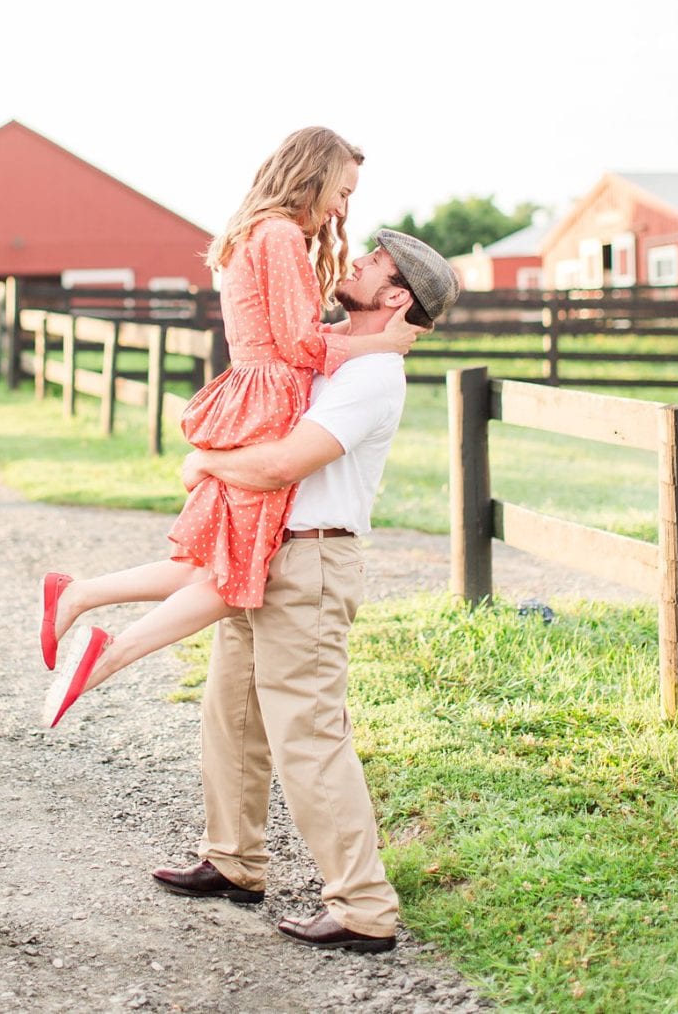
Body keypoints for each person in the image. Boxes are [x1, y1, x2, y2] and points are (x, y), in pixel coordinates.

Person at [42, 128, 420, 726]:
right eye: (342, 191)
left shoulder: (261, 233)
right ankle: (106, 655)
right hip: (268, 402)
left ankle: (82, 596)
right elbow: (298, 342)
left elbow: (291, 336)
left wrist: (358, 337)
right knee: (234, 575)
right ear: (312, 175)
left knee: (215, 563)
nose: (343, 209)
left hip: (254, 393)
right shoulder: (282, 238)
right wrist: (379, 342)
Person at [151, 229, 458, 952]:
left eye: (372, 261)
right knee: (231, 712)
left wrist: (203, 461)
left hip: (314, 563)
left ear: (396, 295)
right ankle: (234, 858)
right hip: (262, 551)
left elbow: (283, 464)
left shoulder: (372, 377)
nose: (353, 260)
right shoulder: (329, 352)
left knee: (309, 735)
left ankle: (363, 907)